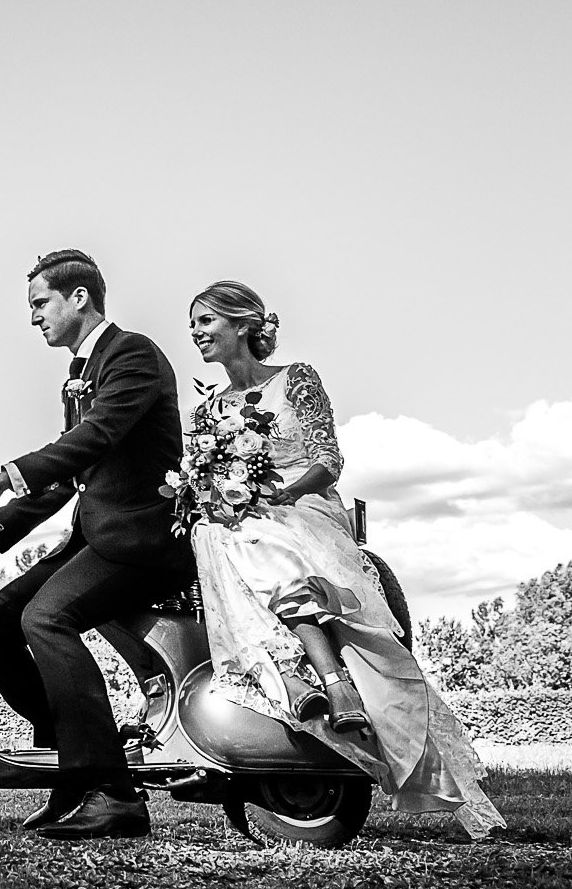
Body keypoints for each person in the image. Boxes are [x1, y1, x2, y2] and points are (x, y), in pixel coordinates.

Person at [185, 280, 505, 839]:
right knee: (215, 532)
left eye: (206, 321)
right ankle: (305, 678)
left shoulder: (296, 379)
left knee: (258, 542)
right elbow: (208, 478)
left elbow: (328, 460)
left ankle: (327, 682)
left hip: (304, 509)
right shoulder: (211, 406)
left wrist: (280, 495)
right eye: (192, 324)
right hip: (242, 520)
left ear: (242, 324)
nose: (196, 333)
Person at [0, 249, 195, 841]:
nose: (34, 317)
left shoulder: (132, 354)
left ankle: (111, 791)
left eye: (40, 303)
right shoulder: (78, 376)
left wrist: (5, 472)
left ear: (78, 297)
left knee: (46, 618)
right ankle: (71, 766)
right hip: (95, 538)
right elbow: (67, 475)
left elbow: (98, 436)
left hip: (142, 541)